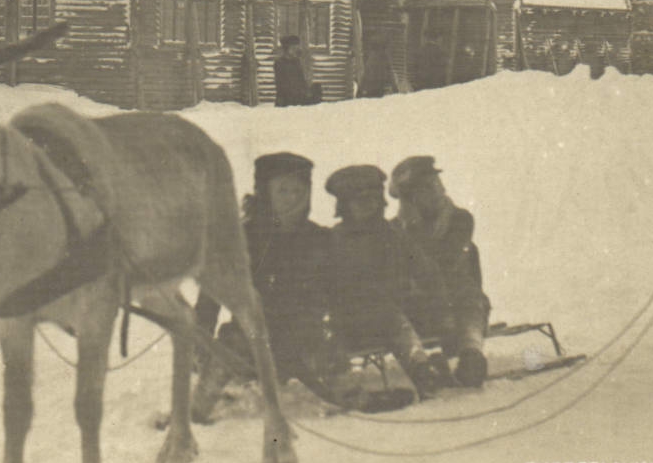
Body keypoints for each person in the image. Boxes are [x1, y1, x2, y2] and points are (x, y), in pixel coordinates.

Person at [190, 153, 355, 420]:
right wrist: (199, 343)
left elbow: (339, 291)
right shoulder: (241, 239)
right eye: (282, 190)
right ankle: (193, 413)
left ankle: (350, 395)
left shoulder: (319, 238)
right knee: (224, 356)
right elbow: (211, 297)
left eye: (297, 191)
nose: (290, 198)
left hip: (304, 333)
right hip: (250, 337)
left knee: (342, 384)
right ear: (266, 193)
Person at [326, 165, 452, 398]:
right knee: (383, 310)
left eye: (373, 198)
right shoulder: (335, 241)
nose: (367, 204)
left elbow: (427, 272)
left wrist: (438, 303)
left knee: (394, 313)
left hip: (398, 317)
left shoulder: (393, 235)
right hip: (354, 324)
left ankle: (427, 369)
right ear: (345, 205)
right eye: (358, 200)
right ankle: (420, 368)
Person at [390, 155, 492, 388]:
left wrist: (412, 234)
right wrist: (410, 228)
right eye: (427, 188)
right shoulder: (395, 230)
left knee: (467, 293)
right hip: (420, 309)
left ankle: (471, 355)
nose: (438, 191)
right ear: (411, 197)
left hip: (458, 305)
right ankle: (429, 362)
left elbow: (447, 264)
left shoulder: (459, 219)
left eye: (437, 184)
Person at [273, 35, 310, 107]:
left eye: (297, 48)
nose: (296, 51)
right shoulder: (279, 63)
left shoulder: (296, 62)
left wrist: (305, 92)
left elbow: (301, 80)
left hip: (298, 100)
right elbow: (280, 84)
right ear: (286, 49)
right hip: (285, 100)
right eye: (293, 48)